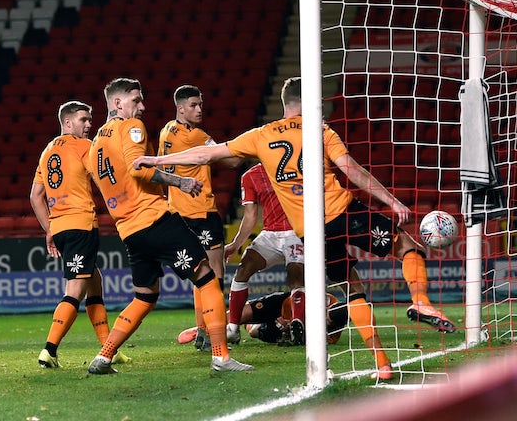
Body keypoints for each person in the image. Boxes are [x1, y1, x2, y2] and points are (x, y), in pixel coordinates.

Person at [134, 76, 455, 379]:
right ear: (310, 101)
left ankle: (382, 365)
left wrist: (155, 161)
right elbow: (351, 170)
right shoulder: (320, 130)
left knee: (352, 287)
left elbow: (207, 154)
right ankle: (421, 300)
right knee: (406, 246)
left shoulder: (262, 135)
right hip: (341, 210)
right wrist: (390, 201)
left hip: (309, 231)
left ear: (284, 102)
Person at [86, 77, 253, 374]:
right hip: (154, 219)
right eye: (136, 100)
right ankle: (221, 356)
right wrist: (180, 180)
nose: (142, 106)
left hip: (129, 231)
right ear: (117, 103)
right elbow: (140, 168)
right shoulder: (130, 128)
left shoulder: (96, 142)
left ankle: (103, 356)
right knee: (206, 276)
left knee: (145, 295)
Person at [30, 100, 129, 368]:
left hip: (62, 228)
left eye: (90, 119)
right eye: (84, 120)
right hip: (81, 225)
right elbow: (103, 179)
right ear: (67, 122)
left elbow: (35, 196)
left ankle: (109, 347)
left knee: (94, 279)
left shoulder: (48, 151)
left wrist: (49, 229)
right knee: (75, 289)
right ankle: (49, 350)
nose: (89, 124)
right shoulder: (85, 147)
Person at [158, 84, 240, 351]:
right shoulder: (197, 137)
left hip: (179, 213)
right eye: (193, 105)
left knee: (199, 273)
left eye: (200, 104)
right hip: (201, 211)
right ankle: (212, 331)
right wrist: (252, 147)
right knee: (215, 273)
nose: (199, 109)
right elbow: (231, 162)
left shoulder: (166, 131)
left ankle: (203, 331)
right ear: (180, 108)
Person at [223, 163, 306, 345]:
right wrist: (236, 244)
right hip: (270, 234)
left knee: (296, 274)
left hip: (297, 232)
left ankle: (297, 324)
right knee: (242, 270)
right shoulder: (250, 176)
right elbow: (251, 216)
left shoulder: (298, 166)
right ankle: (233, 329)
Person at [178, 291, 348, 347]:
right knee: (239, 315)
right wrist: (288, 318)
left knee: (254, 332)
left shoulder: (335, 331)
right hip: (281, 304)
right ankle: (202, 328)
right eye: (325, 314)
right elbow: (295, 298)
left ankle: (239, 331)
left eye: (327, 322)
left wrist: (288, 328)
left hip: (285, 328)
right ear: (328, 308)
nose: (323, 319)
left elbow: (318, 343)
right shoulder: (323, 299)